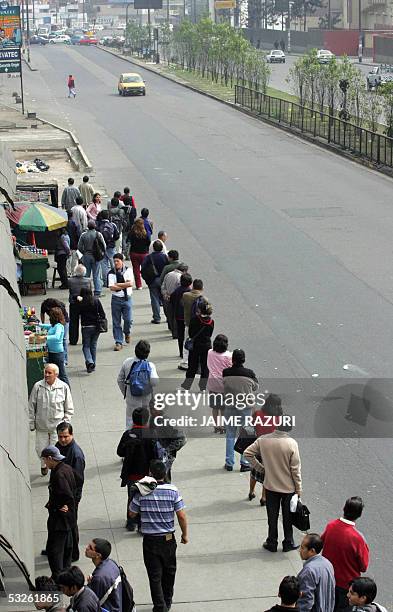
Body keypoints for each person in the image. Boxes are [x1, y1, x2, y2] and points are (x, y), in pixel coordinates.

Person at [129, 459, 188, 612]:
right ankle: (167, 602)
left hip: (150, 541)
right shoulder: (173, 490)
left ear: (150, 473)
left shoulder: (143, 491)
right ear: (165, 473)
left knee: (155, 576)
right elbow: (181, 516)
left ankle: (160, 606)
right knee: (169, 572)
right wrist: (185, 535)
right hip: (168, 540)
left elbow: (132, 513)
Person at [244, 418, 301, 552]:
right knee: (288, 516)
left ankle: (272, 542)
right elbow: (295, 469)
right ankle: (288, 542)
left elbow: (248, 453)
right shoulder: (292, 443)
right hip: (288, 488)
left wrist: (262, 469)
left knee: (272, 516)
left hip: (270, 486)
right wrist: (298, 488)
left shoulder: (263, 440)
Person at [321, 497, 369, 612]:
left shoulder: (330, 526)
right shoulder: (358, 538)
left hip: (328, 579)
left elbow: (320, 543)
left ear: (344, 509)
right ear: (359, 514)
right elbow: (364, 566)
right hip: (346, 586)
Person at [29, 364, 74, 475]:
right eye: (46, 372)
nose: (46, 375)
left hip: (56, 428)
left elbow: (69, 407)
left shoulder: (63, 387)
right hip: (42, 426)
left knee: (55, 451)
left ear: (56, 375)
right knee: (40, 449)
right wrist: (31, 423)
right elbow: (31, 406)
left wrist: (65, 424)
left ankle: (54, 470)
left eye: (50, 373)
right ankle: (44, 464)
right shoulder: (38, 386)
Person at [117, 407, 157, 531]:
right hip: (146, 474)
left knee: (132, 497)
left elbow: (120, 452)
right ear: (147, 420)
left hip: (131, 474)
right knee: (144, 499)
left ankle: (130, 522)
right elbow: (155, 455)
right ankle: (141, 524)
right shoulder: (151, 434)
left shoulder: (128, 434)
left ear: (133, 420)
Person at [41, 445, 77, 580]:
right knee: (67, 547)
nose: (45, 463)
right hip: (68, 518)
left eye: (45, 460)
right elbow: (77, 481)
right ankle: (66, 574)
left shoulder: (58, 474)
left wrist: (64, 505)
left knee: (54, 550)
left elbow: (67, 495)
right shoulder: (66, 468)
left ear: (50, 458)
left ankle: (58, 578)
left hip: (59, 520)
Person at [221, 349, 257, 472]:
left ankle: (229, 462)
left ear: (233, 360)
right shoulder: (250, 373)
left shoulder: (226, 373)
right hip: (245, 408)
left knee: (230, 434)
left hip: (230, 407)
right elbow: (256, 386)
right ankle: (245, 462)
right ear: (244, 360)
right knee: (245, 435)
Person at [56, 422, 85, 562]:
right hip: (61, 493)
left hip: (71, 496)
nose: (62, 439)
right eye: (60, 436)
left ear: (71, 435)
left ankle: (73, 552)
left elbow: (78, 480)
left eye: (65, 436)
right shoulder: (58, 447)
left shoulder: (76, 454)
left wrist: (72, 499)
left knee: (71, 524)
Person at [248, 393, 281, 505]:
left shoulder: (258, 414)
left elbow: (251, 425)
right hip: (273, 450)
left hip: (259, 446)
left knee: (254, 471)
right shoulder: (278, 418)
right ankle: (264, 497)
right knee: (268, 474)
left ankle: (251, 491)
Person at [117, 340, 159, 427]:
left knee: (130, 421)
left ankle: (131, 437)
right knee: (145, 422)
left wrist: (125, 392)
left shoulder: (127, 362)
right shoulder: (150, 365)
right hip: (146, 400)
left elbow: (120, 379)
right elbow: (155, 382)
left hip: (131, 399)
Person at [181, 298, 214, 391]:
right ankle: (203, 387)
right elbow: (210, 334)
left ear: (199, 310)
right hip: (207, 346)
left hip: (195, 346)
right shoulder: (211, 321)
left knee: (192, 366)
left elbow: (191, 334)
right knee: (205, 367)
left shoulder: (195, 320)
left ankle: (186, 386)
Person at [297, 534, 335, 612]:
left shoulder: (309, 571)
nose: (300, 550)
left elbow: (306, 601)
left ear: (312, 551)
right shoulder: (328, 563)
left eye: (302, 548)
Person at [85, 539, 122, 612]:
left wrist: (90, 584)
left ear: (98, 555)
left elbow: (92, 601)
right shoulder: (111, 563)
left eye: (90, 548)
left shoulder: (99, 577)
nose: (87, 548)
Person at [207, 333, 232, 433]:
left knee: (215, 407)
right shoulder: (228, 356)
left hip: (212, 385)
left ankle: (216, 426)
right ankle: (224, 426)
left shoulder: (210, 353)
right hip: (223, 385)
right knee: (223, 408)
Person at [108, 253, 134, 351]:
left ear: (122, 261)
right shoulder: (111, 273)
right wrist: (125, 284)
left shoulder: (128, 270)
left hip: (127, 298)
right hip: (116, 299)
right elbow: (111, 287)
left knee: (128, 319)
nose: (116, 263)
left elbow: (130, 283)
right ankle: (118, 341)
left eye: (117, 261)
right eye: (114, 261)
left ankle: (127, 332)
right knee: (116, 322)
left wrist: (118, 284)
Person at [77, 287, 105, 373]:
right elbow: (102, 314)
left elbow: (76, 313)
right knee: (93, 345)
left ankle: (90, 361)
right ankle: (93, 364)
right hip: (96, 326)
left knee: (86, 346)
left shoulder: (81, 303)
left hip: (86, 326)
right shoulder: (96, 300)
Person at [40, 307, 70, 387]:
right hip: (51, 353)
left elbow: (57, 336)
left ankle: (68, 391)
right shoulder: (53, 326)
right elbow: (47, 326)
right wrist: (38, 325)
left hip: (57, 354)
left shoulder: (59, 326)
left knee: (62, 374)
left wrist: (45, 337)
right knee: (52, 373)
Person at [141, 240, 168, 324]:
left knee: (154, 299)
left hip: (152, 280)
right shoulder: (165, 257)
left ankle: (157, 318)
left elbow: (143, 269)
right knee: (164, 299)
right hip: (163, 280)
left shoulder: (148, 257)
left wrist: (147, 280)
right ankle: (168, 317)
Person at [77, 220, 106, 297]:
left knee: (86, 274)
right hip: (96, 256)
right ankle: (97, 291)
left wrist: (84, 252)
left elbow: (79, 247)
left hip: (86, 256)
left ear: (88, 226)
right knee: (96, 274)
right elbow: (104, 245)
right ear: (95, 226)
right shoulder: (98, 234)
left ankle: (86, 292)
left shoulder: (83, 235)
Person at [180, 278, 204, 371]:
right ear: (202, 288)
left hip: (188, 323)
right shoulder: (203, 298)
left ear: (193, 286)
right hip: (199, 324)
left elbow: (182, 304)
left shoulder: (185, 295)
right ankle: (198, 363)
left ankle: (185, 362)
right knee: (198, 343)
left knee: (186, 342)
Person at [68, 264, 92, 345]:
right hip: (85, 303)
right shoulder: (88, 280)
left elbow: (70, 290)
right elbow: (90, 292)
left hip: (74, 303)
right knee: (85, 322)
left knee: (73, 322)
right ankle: (86, 339)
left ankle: (73, 340)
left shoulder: (70, 281)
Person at [161, 264, 189, 336]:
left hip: (167, 298)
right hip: (176, 299)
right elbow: (179, 290)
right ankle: (176, 332)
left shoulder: (168, 274)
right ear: (184, 271)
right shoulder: (180, 277)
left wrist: (165, 295)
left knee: (169, 314)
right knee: (176, 316)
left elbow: (163, 286)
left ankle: (171, 328)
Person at [41, 298, 69, 366]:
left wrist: (59, 327)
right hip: (55, 321)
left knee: (63, 340)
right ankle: (50, 357)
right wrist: (42, 324)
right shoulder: (44, 305)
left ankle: (64, 359)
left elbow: (63, 319)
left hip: (64, 321)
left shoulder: (60, 307)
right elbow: (42, 314)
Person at [170, 272, 192, 359]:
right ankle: (188, 351)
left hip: (179, 316)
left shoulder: (177, 291)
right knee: (189, 335)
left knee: (180, 335)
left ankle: (181, 352)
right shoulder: (190, 292)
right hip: (188, 317)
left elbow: (171, 300)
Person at [96, 210, 119, 287]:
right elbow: (117, 236)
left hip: (102, 248)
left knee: (104, 266)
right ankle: (117, 279)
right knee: (114, 263)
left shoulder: (98, 226)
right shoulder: (112, 225)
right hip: (111, 246)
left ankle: (106, 282)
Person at [128, 217, 151, 289]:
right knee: (145, 269)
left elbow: (129, 240)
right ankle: (148, 282)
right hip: (144, 253)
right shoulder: (145, 233)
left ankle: (139, 285)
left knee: (136, 269)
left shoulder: (132, 233)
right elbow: (148, 242)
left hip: (134, 252)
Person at [66, 210, 81, 277]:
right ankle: (74, 272)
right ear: (72, 215)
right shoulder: (75, 223)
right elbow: (78, 234)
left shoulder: (64, 224)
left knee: (68, 259)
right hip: (74, 244)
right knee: (74, 260)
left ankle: (68, 272)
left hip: (66, 244)